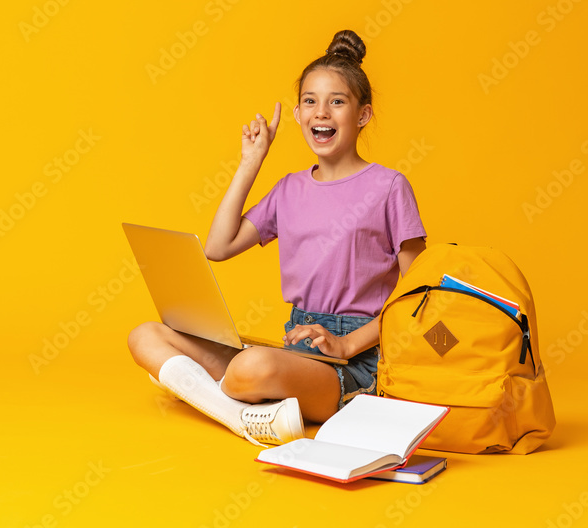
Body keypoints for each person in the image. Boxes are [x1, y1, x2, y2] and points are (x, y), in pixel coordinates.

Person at [127, 29, 427, 446]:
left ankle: (229, 400)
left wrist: (345, 344)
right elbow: (218, 246)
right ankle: (245, 416)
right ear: (299, 114)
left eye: (337, 102)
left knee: (250, 370)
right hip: (295, 345)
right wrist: (251, 161)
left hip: (359, 361)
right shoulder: (289, 189)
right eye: (310, 101)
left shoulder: (390, 187)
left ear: (362, 115)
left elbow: (419, 296)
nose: (321, 112)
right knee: (145, 336)